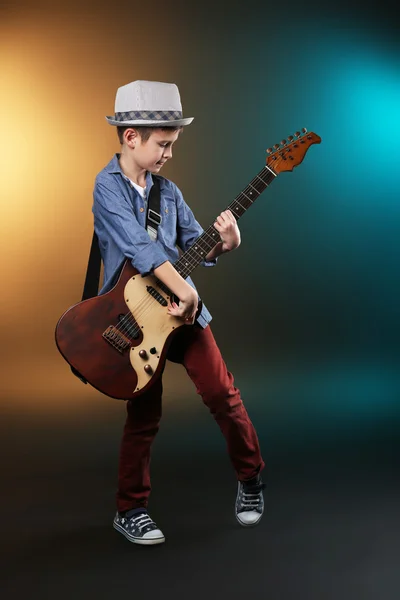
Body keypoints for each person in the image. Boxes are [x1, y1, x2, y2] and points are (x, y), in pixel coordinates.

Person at [93, 80, 265, 545]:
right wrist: (185, 293)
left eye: (173, 144)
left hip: (182, 315)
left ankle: (251, 480)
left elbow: (193, 245)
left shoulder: (168, 192)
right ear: (132, 137)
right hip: (133, 315)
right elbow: (137, 248)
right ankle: (130, 508)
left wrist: (224, 245)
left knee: (223, 396)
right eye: (163, 144)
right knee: (143, 415)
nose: (169, 153)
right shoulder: (106, 187)